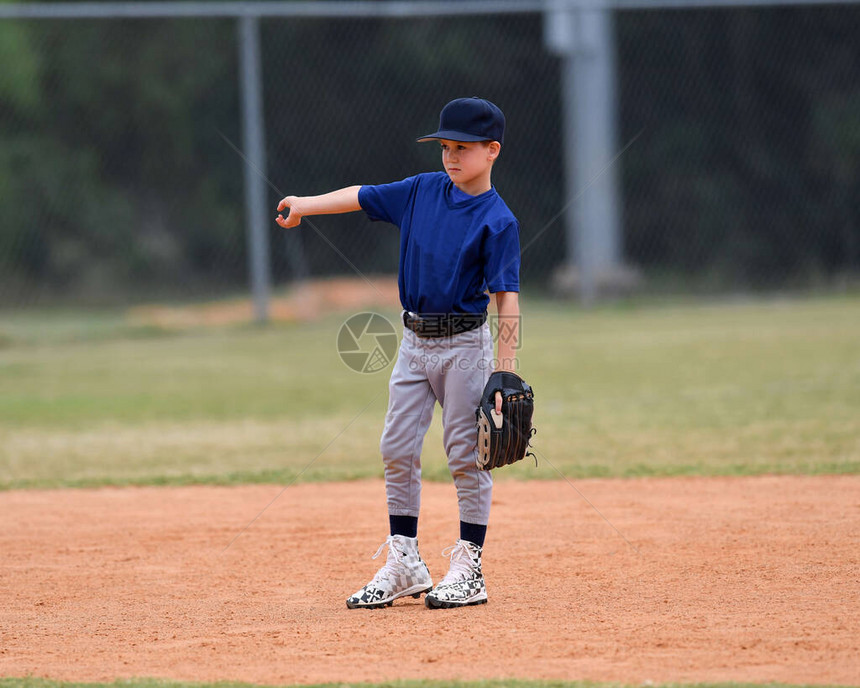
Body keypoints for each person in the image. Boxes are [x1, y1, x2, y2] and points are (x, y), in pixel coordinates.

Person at [275, 97, 521, 609]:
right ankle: (406, 562)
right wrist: (305, 203)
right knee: (397, 447)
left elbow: (507, 299)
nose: (450, 157)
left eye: (462, 148)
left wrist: (506, 374)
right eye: (445, 147)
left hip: (464, 345)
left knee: (466, 454)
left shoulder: (498, 220)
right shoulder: (420, 191)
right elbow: (360, 196)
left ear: (492, 150)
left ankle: (468, 566)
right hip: (413, 342)